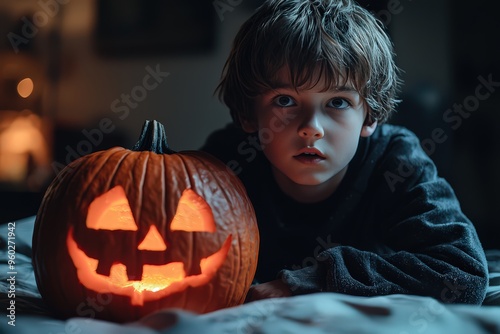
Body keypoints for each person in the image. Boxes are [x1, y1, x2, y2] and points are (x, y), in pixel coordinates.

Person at [201, 0, 488, 304]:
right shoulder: (224, 164)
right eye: (285, 101)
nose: (311, 128)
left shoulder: (396, 162)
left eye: (338, 102)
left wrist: (313, 280)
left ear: (370, 115)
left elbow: (464, 275)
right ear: (248, 113)